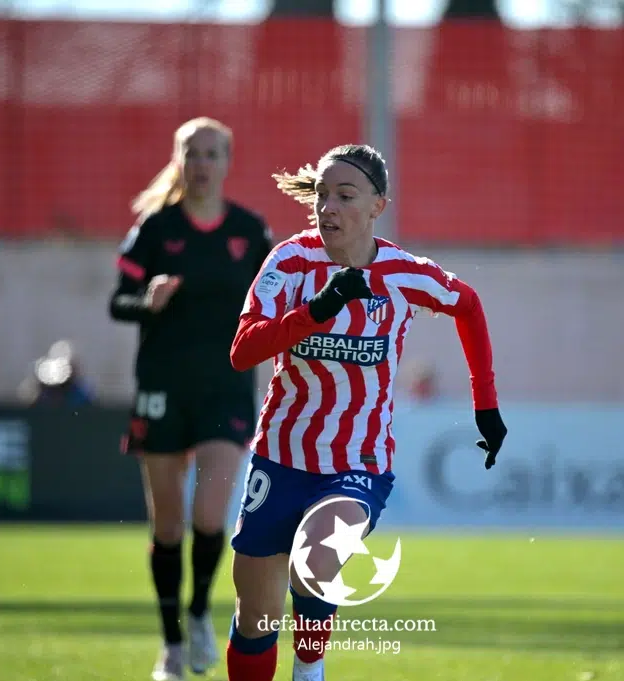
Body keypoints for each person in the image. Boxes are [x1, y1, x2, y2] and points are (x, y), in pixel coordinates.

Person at [225, 144, 508, 681]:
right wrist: (319, 309)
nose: (327, 207)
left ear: (378, 206)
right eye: (322, 195)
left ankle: (309, 667)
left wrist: (486, 406)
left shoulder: (404, 274)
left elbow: (467, 305)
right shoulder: (289, 262)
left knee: (316, 554)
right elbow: (244, 350)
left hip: (358, 462)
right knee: (255, 618)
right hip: (279, 459)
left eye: (345, 196)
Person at [108, 117, 273, 681]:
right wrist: (146, 302)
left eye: (211, 153)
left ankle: (200, 612)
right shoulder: (155, 230)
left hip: (226, 388)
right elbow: (118, 302)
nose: (201, 164)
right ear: (179, 160)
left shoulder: (251, 232)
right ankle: (171, 645)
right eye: (192, 153)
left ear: (227, 162)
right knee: (168, 527)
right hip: (162, 387)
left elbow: (276, 301)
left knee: (210, 516)